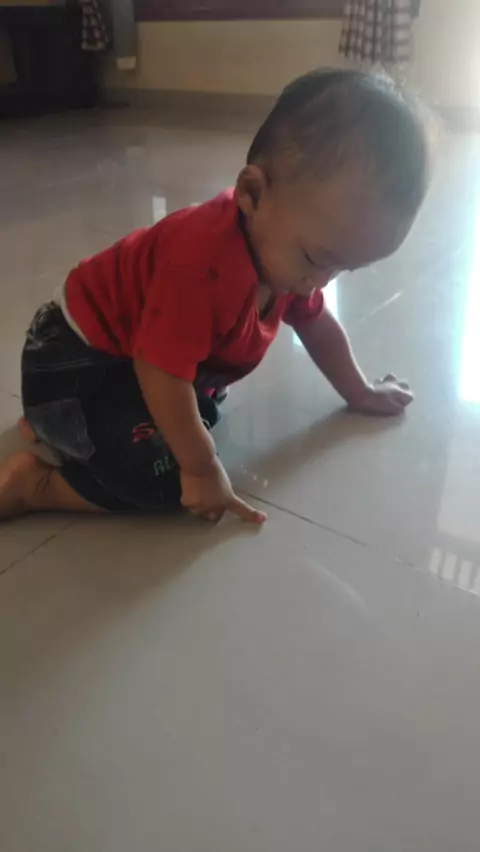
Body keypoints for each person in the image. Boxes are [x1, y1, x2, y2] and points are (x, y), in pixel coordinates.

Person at [0, 69, 430, 523]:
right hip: (72, 362)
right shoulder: (199, 266)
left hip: (129, 362)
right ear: (253, 193)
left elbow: (317, 326)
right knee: (168, 475)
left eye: (344, 267)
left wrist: (360, 391)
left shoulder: (288, 252)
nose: (320, 282)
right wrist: (200, 467)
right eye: (317, 259)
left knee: (200, 412)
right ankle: (39, 481)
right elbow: (160, 369)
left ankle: (69, 429)